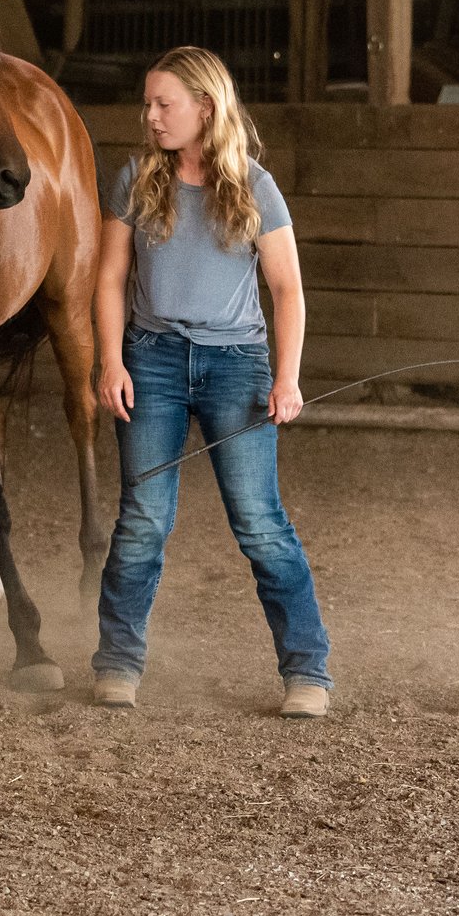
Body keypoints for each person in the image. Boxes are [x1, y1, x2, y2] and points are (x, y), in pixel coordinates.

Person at [92, 46, 332, 718]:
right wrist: (110, 361)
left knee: (259, 522)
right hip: (152, 362)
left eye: (163, 104)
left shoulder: (255, 186)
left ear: (205, 107)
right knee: (142, 520)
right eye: (148, 103)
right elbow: (109, 278)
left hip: (236, 367)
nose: (151, 116)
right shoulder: (136, 179)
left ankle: (307, 670)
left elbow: (287, 289)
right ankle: (117, 663)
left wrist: (286, 379)